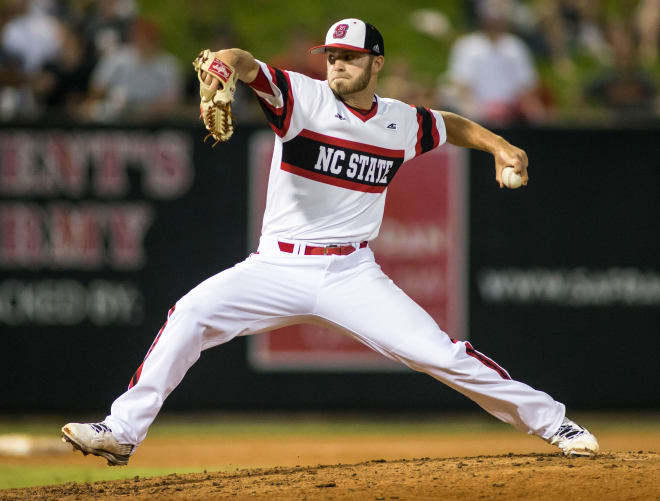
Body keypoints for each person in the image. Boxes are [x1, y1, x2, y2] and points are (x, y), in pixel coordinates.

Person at [61, 18, 599, 466]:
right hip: (274, 266)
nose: (336, 65)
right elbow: (244, 63)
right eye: (331, 55)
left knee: (442, 355)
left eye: (349, 57)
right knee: (190, 314)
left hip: (350, 274)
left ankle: (555, 424)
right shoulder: (303, 98)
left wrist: (499, 145)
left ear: (376, 64)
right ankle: (122, 431)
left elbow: (449, 125)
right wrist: (224, 64)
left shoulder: (399, 122)